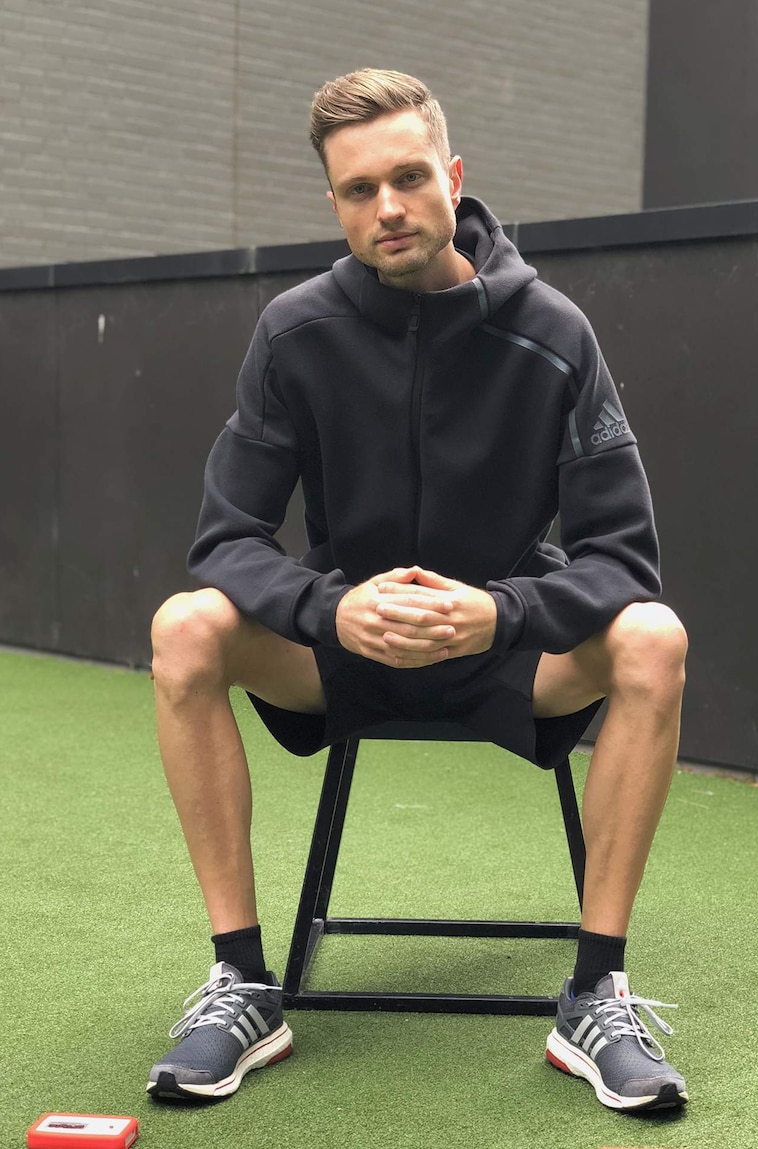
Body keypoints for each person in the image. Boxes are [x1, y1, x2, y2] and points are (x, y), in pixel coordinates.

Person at [146, 68, 689, 1113]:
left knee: (652, 638)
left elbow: (623, 557)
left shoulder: (555, 332)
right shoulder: (294, 331)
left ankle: (595, 992)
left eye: (406, 178)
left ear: (451, 175)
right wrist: (328, 609)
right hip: (339, 646)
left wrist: (504, 612)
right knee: (186, 628)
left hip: (504, 648)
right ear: (335, 203)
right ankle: (242, 982)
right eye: (358, 190)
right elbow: (227, 539)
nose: (386, 208)